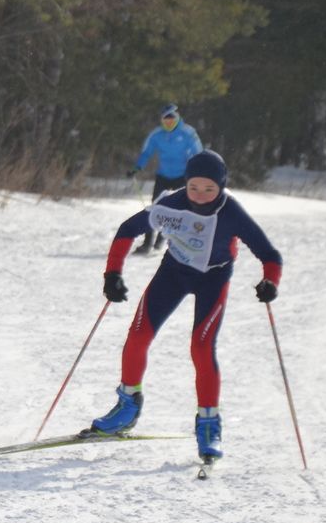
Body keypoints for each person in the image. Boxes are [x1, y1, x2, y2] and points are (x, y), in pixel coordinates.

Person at [88, 149, 282, 462]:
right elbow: (127, 230)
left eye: (210, 189)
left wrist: (270, 282)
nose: (201, 196)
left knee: (202, 348)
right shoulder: (171, 204)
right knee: (138, 336)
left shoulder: (231, 212)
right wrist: (112, 274)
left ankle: (208, 424)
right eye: (194, 188)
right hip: (173, 272)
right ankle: (127, 406)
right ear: (186, 184)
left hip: (213, 280)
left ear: (221, 187)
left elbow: (269, 255)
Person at [129, 104, 203, 254]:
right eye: (165, 120)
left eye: (172, 120)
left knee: (177, 210)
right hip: (163, 176)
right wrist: (137, 167)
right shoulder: (157, 135)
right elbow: (146, 152)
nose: (169, 123)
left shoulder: (188, 133)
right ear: (162, 120)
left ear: (177, 119)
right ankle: (147, 244)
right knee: (155, 208)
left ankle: (163, 239)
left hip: (182, 177)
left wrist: (199, 170)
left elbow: (198, 153)